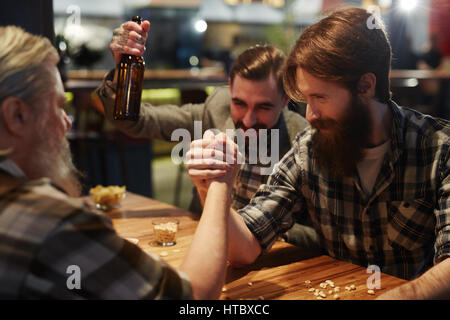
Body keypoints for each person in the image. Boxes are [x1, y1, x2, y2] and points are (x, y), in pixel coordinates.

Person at [187, 8, 450, 299]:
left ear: (365, 85)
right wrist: (211, 185)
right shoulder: (309, 150)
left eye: (319, 98)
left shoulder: (439, 149)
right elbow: (244, 248)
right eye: (305, 99)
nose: (309, 115)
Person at [0, 25, 239, 300]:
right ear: (16, 115)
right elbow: (191, 299)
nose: (67, 122)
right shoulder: (56, 223)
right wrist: (221, 183)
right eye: (58, 106)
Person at [96, 20, 314, 248]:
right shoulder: (216, 110)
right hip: (205, 244)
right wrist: (123, 71)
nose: (248, 120)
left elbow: (320, 234)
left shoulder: (302, 139)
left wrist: (265, 232)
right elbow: (137, 122)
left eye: (263, 107)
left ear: (285, 99)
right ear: (230, 88)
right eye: (239, 103)